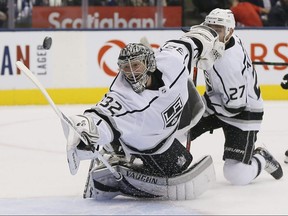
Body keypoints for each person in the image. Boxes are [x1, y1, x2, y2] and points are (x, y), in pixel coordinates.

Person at [62, 25, 225, 200]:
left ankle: (118, 149)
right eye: (125, 67)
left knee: (192, 128)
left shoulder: (172, 61)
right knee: (179, 165)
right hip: (150, 143)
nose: (130, 73)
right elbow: (100, 116)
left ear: (149, 63)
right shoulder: (122, 96)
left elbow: (190, 43)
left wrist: (209, 41)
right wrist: (84, 130)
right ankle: (116, 160)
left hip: (175, 118)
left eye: (135, 65)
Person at [187, 8, 283, 186]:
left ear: (230, 31)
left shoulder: (229, 65)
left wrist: (201, 105)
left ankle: (261, 158)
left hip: (242, 112)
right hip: (217, 100)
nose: (213, 34)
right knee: (178, 128)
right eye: (210, 28)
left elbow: (233, 107)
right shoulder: (224, 38)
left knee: (236, 175)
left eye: (218, 30)